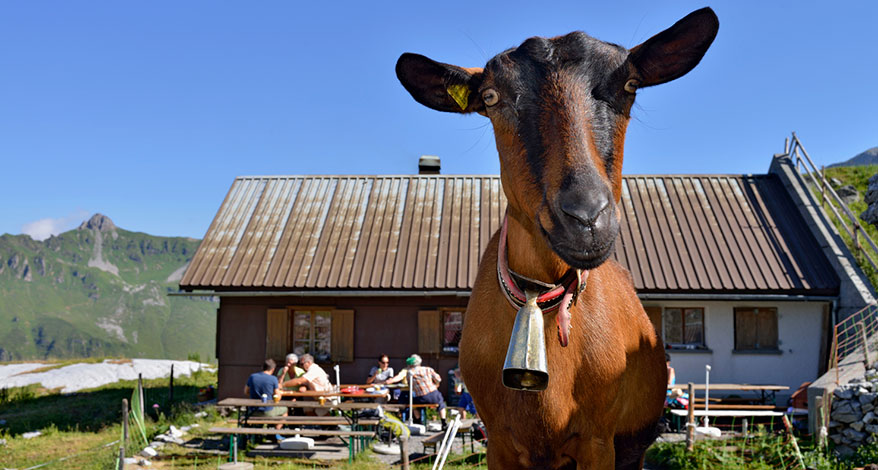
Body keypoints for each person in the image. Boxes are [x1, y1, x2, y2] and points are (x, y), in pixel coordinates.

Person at [386, 354, 448, 428]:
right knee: (441, 403)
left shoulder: (409, 373)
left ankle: (418, 422)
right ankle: (443, 422)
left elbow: (411, 386)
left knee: (414, 404)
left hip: (421, 397)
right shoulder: (428, 369)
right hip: (433, 394)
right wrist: (435, 384)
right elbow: (438, 379)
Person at [244, 358, 287, 425]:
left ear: (262, 367)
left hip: (253, 411)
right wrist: (280, 392)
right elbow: (277, 397)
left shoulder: (252, 377)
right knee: (285, 410)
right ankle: (276, 432)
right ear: (273, 369)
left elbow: (246, 391)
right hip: (267, 411)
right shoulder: (273, 379)